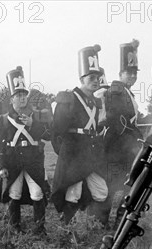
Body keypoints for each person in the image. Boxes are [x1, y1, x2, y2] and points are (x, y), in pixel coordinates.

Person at [51, 45, 110, 238]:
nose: (95, 81)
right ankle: (68, 230)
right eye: (91, 78)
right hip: (73, 153)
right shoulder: (68, 99)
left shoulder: (95, 101)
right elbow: (57, 131)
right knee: (73, 192)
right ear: (81, 79)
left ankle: (95, 227)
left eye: (97, 78)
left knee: (101, 190)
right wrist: (66, 154)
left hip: (91, 154)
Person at [0, 66, 50, 235]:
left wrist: (33, 125)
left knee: (38, 193)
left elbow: (47, 136)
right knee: (14, 193)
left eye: (24, 95)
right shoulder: (4, 120)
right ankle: (15, 227)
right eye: (18, 95)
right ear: (11, 100)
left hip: (33, 160)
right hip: (13, 161)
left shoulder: (37, 116)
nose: (22, 98)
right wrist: (1, 166)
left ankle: (40, 229)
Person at [98, 39, 144, 229]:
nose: (132, 76)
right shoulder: (116, 90)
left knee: (124, 184)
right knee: (113, 185)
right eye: (129, 73)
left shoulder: (126, 91)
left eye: (134, 73)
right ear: (120, 74)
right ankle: (102, 222)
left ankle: (119, 221)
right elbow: (115, 119)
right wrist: (131, 138)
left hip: (125, 145)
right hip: (117, 146)